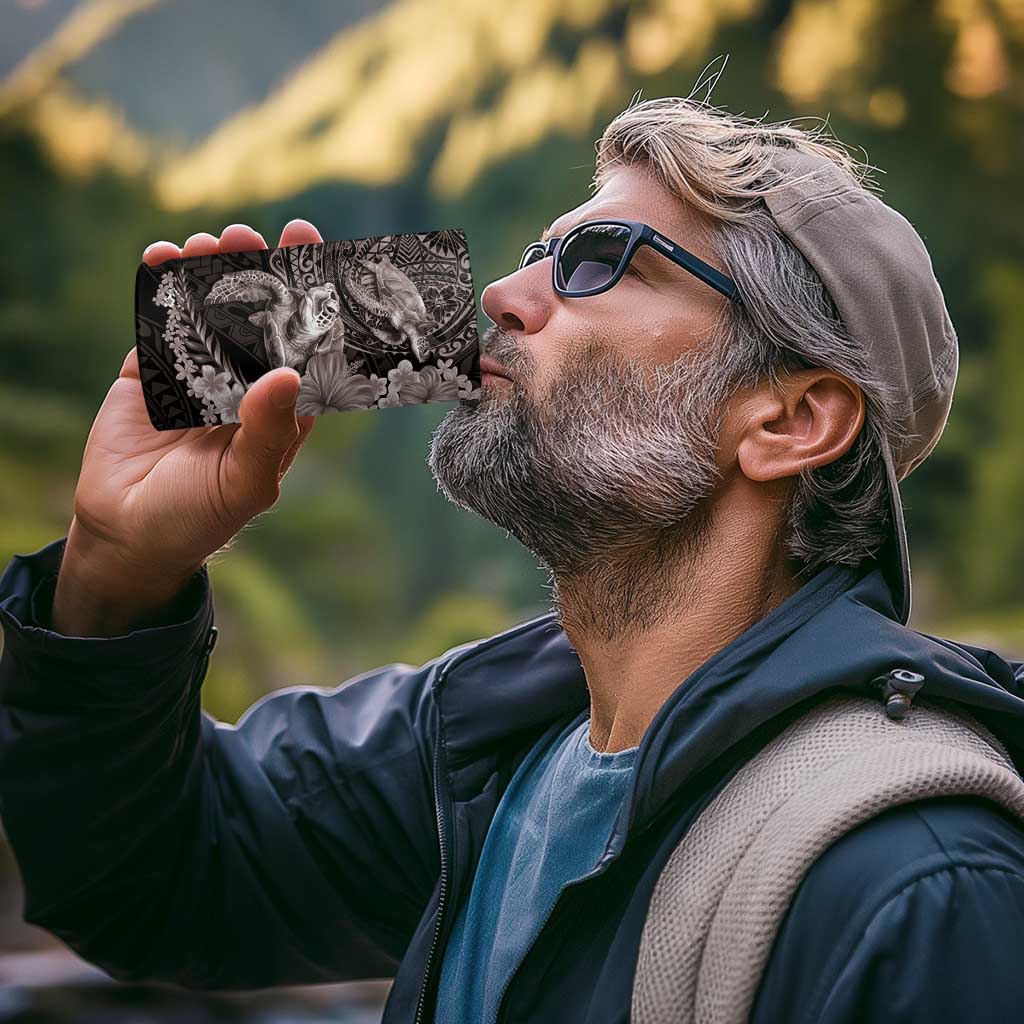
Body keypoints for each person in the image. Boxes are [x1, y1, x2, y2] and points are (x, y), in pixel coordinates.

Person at [2, 95, 1024, 1024]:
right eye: (539, 252)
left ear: (791, 419)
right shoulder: (481, 747)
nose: (500, 292)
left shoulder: (918, 885)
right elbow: (149, 879)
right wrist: (116, 570)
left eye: (599, 261)